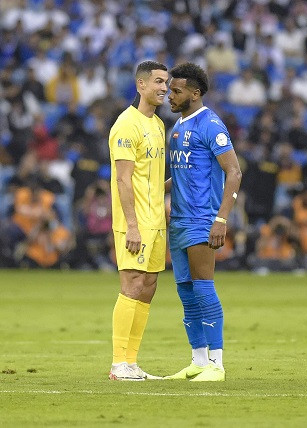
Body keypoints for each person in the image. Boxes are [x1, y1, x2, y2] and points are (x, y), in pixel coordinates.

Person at [164, 63, 242, 382]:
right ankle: (197, 360)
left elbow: (234, 172)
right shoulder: (178, 127)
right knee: (186, 291)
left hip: (201, 219)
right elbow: (181, 177)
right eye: (169, 89)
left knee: (204, 287)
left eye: (176, 90)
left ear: (195, 94)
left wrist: (221, 218)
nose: (170, 95)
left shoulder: (211, 124)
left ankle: (217, 364)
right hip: (178, 221)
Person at [108, 60, 169, 381]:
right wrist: (132, 224)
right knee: (131, 284)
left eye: (166, 82)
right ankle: (118, 364)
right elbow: (122, 180)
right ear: (140, 85)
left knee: (147, 287)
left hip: (156, 220)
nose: (163, 87)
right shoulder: (126, 125)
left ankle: (132, 362)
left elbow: (152, 180)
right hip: (135, 222)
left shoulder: (158, 125)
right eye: (158, 81)